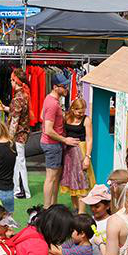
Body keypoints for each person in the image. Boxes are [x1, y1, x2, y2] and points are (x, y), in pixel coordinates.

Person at [40, 73, 78, 208]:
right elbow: (48, 130)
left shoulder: (50, 100)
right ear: (56, 87)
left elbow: (42, 116)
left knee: (55, 177)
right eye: (64, 86)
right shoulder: (52, 104)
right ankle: (46, 209)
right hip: (52, 144)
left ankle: (52, 206)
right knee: (51, 177)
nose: (67, 88)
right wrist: (65, 139)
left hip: (53, 144)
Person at [59, 98, 95, 213]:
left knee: (82, 182)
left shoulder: (86, 120)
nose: (81, 114)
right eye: (79, 112)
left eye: (83, 112)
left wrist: (87, 157)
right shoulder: (66, 117)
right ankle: (76, 208)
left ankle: (82, 212)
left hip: (81, 151)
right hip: (69, 154)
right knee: (71, 182)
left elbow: (89, 139)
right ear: (73, 109)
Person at [81, 185, 112, 255]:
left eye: (97, 206)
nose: (93, 209)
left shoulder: (112, 222)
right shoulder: (88, 221)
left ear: (108, 206)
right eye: (91, 206)